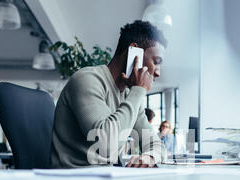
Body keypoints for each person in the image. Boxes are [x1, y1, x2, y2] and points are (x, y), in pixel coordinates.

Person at [50, 20, 167, 169]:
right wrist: (138, 91)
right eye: (156, 61)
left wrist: (149, 156)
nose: (157, 72)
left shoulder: (129, 95)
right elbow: (105, 146)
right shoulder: (87, 80)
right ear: (134, 52)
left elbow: (157, 145)